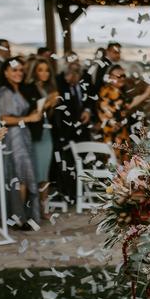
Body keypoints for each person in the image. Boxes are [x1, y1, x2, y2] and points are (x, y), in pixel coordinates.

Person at [0, 58, 42, 228]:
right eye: (14, 70)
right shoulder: (4, 92)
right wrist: (29, 118)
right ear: (5, 72)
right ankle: (19, 218)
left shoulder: (20, 90)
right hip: (13, 137)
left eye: (21, 71)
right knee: (20, 176)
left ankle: (21, 216)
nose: (18, 73)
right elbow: (2, 118)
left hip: (23, 135)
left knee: (24, 176)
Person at [51, 61, 92, 201]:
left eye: (73, 74)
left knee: (83, 161)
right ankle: (70, 194)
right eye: (67, 74)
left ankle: (83, 191)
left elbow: (91, 99)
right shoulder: (60, 85)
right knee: (67, 163)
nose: (69, 78)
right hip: (66, 132)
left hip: (83, 131)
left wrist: (87, 110)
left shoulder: (85, 81)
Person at [24, 58, 58, 219]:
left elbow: (51, 116)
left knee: (45, 173)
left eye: (46, 70)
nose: (44, 73)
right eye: (40, 70)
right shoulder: (28, 88)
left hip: (47, 134)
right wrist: (47, 102)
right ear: (35, 71)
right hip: (34, 134)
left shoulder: (50, 88)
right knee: (35, 171)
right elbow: (31, 113)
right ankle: (33, 209)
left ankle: (44, 209)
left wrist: (52, 104)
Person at [98, 65, 130, 161]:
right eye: (118, 76)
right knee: (115, 169)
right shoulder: (106, 92)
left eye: (124, 76)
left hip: (122, 135)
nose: (122, 78)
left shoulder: (121, 92)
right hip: (112, 135)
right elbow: (110, 115)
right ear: (109, 77)